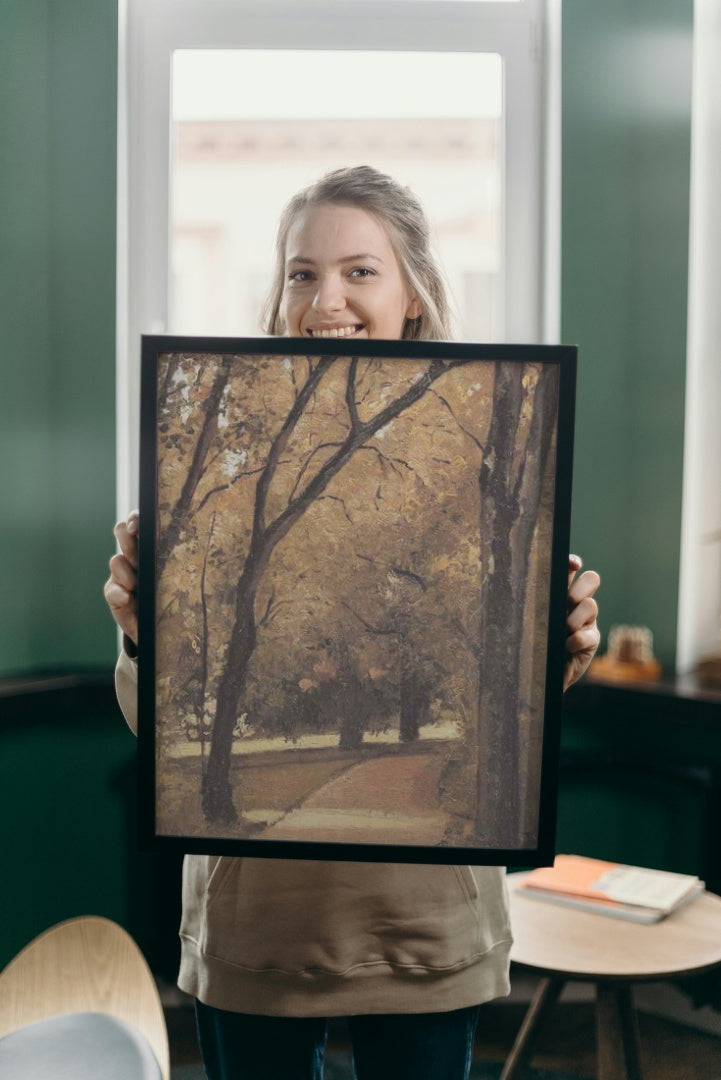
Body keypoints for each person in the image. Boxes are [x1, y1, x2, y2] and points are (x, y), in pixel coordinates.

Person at [105, 166, 601, 1080]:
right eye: (301, 272)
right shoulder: (220, 461)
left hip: (425, 924)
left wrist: (556, 650)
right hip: (256, 926)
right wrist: (145, 638)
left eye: (359, 271)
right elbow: (164, 728)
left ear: (412, 292)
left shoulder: (490, 453)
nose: (324, 298)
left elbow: (506, 708)